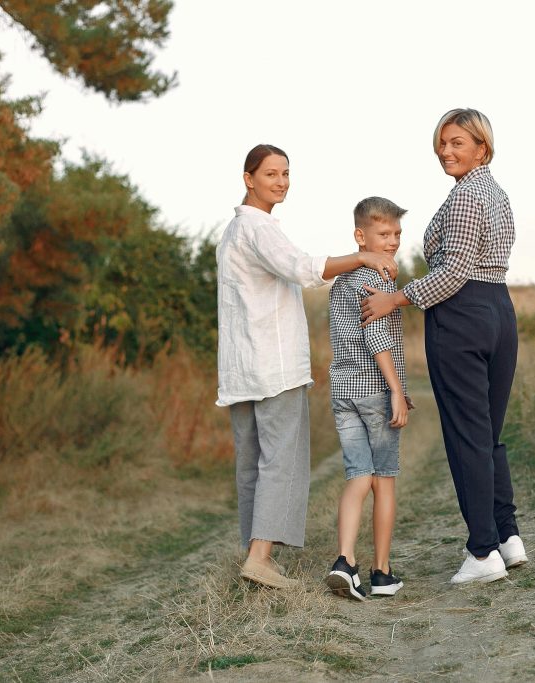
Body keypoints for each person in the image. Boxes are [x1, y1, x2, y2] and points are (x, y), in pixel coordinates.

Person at [216, 144, 398, 590]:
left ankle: (257, 556)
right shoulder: (258, 229)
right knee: (280, 459)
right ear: (248, 179)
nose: (280, 181)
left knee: (253, 462)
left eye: (285, 173)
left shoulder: (233, 232)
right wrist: (362, 257)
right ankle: (260, 557)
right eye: (271, 174)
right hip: (272, 365)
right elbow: (303, 269)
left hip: (241, 368)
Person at [360, 108, 528, 585]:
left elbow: (452, 272)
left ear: (482, 147)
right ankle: (507, 538)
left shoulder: (467, 197)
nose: (446, 151)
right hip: (499, 310)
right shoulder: (498, 194)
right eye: (441, 143)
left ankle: (482, 553)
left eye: (457, 142)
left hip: (463, 316)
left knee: (467, 437)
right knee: (488, 433)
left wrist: (398, 296)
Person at [325, 197, 412, 601]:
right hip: (375, 392)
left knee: (358, 476)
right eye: (383, 234)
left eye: (396, 234)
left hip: (343, 392)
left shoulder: (341, 281)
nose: (392, 241)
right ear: (361, 236)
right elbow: (376, 337)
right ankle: (381, 572)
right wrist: (397, 390)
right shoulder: (377, 280)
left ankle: (344, 561)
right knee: (385, 480)